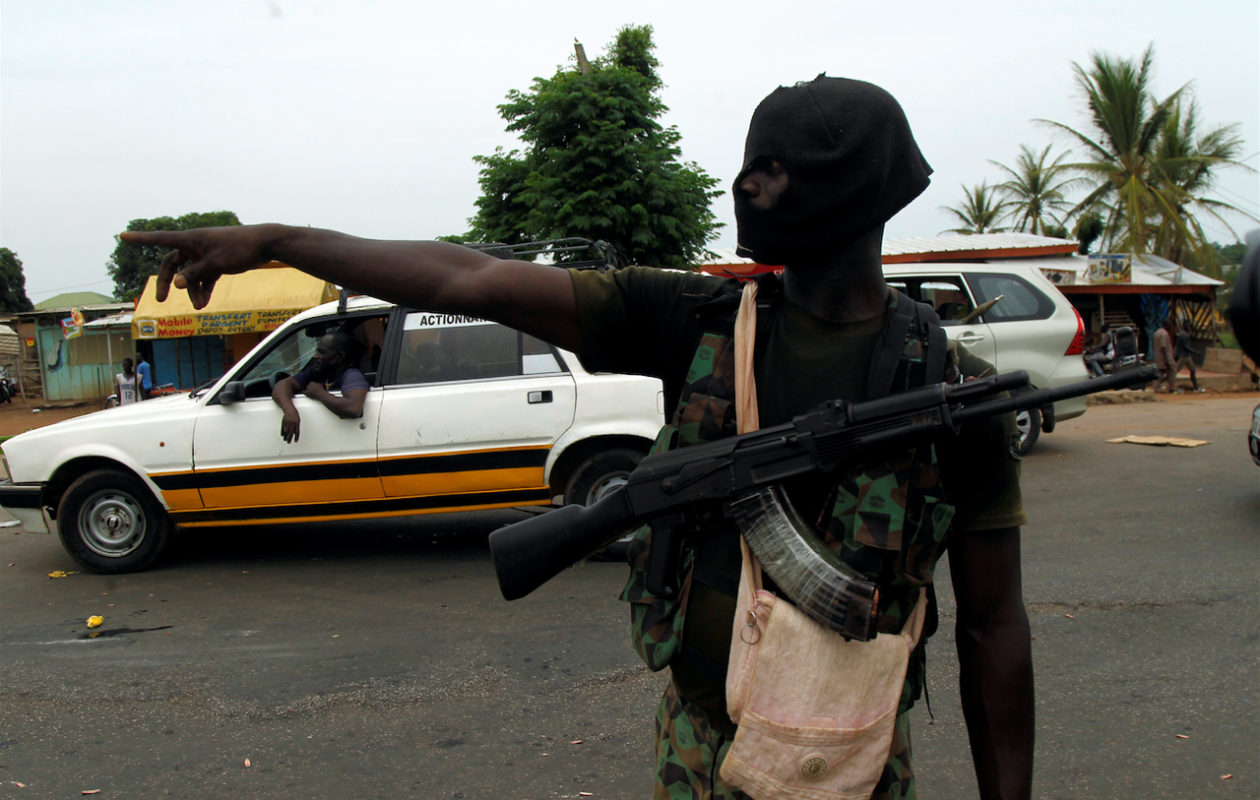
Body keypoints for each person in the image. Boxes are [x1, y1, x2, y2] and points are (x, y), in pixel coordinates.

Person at [122, 75, 1033, 800]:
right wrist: (278, 240)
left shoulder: (949, 392)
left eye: (776, 167)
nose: (745, 184)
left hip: (855, 755)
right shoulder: (696, 318)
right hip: (701, 748)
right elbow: (472, 278)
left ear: (855, 188)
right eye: (749, 161)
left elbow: (994, 627)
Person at [271, 330, 370, 443]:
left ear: (340, 357)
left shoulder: (352, 375)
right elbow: (283, 385)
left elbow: (353, 408)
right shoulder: (320, 370)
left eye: (322, 352)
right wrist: (289, 411)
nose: (315, 356)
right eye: (317, 351)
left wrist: (320, 394)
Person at [1173, 324, 1203, 393]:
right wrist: (1196, 352)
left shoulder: (1182, 334)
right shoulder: (1185, 335)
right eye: (1188, 326)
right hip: (1184, 356)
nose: (1189, 327)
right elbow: (1186, 347)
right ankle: (1162, 383)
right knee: (1174, 371)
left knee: (1193, 370)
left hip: (1186, 356)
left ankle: (1196, 387)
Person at [1152, 321, 1177, 393]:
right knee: (1173, 370)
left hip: (1157, 356)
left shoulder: (1157, 332)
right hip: (1164, 357)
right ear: (1167, 325)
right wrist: (1168, 360)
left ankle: (1155, 388)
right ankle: (1172, 388)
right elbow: (1164, 347)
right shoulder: (1164, 334)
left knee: (1160, 372)